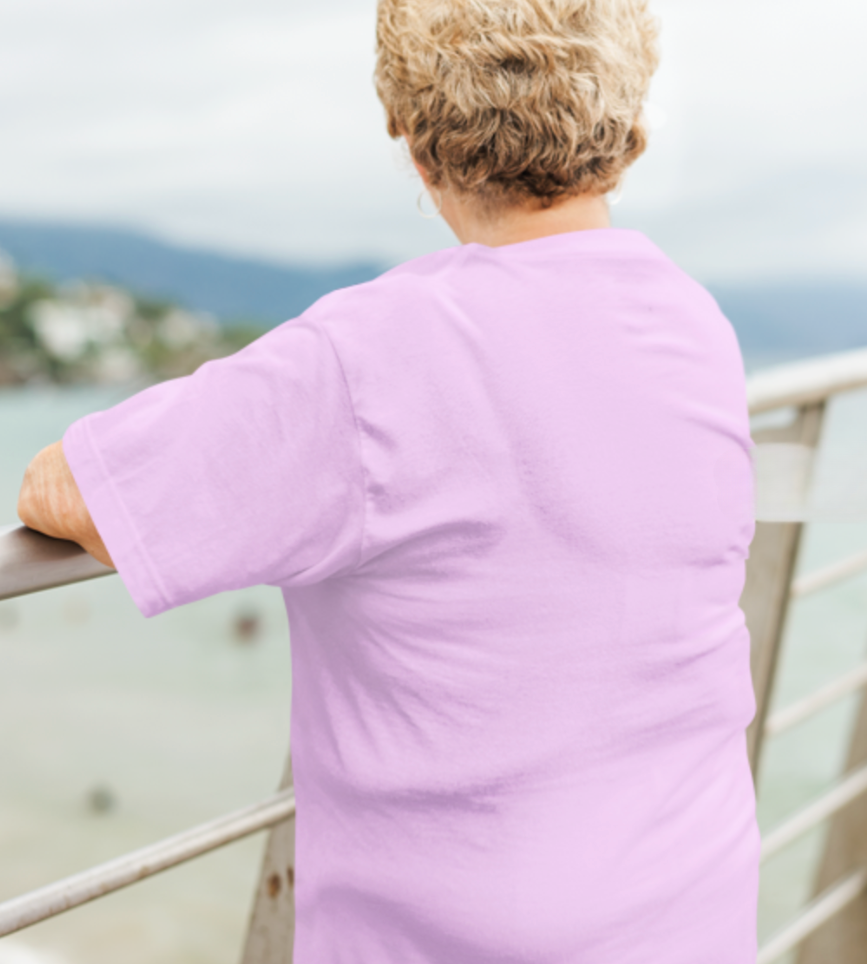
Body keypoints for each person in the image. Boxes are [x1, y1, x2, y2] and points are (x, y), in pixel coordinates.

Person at [18, 0, 759, 961]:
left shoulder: (369, 360)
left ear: (416, 143)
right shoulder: (695, 326)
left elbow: (74, 491)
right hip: (694, 921)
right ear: (632, 129)